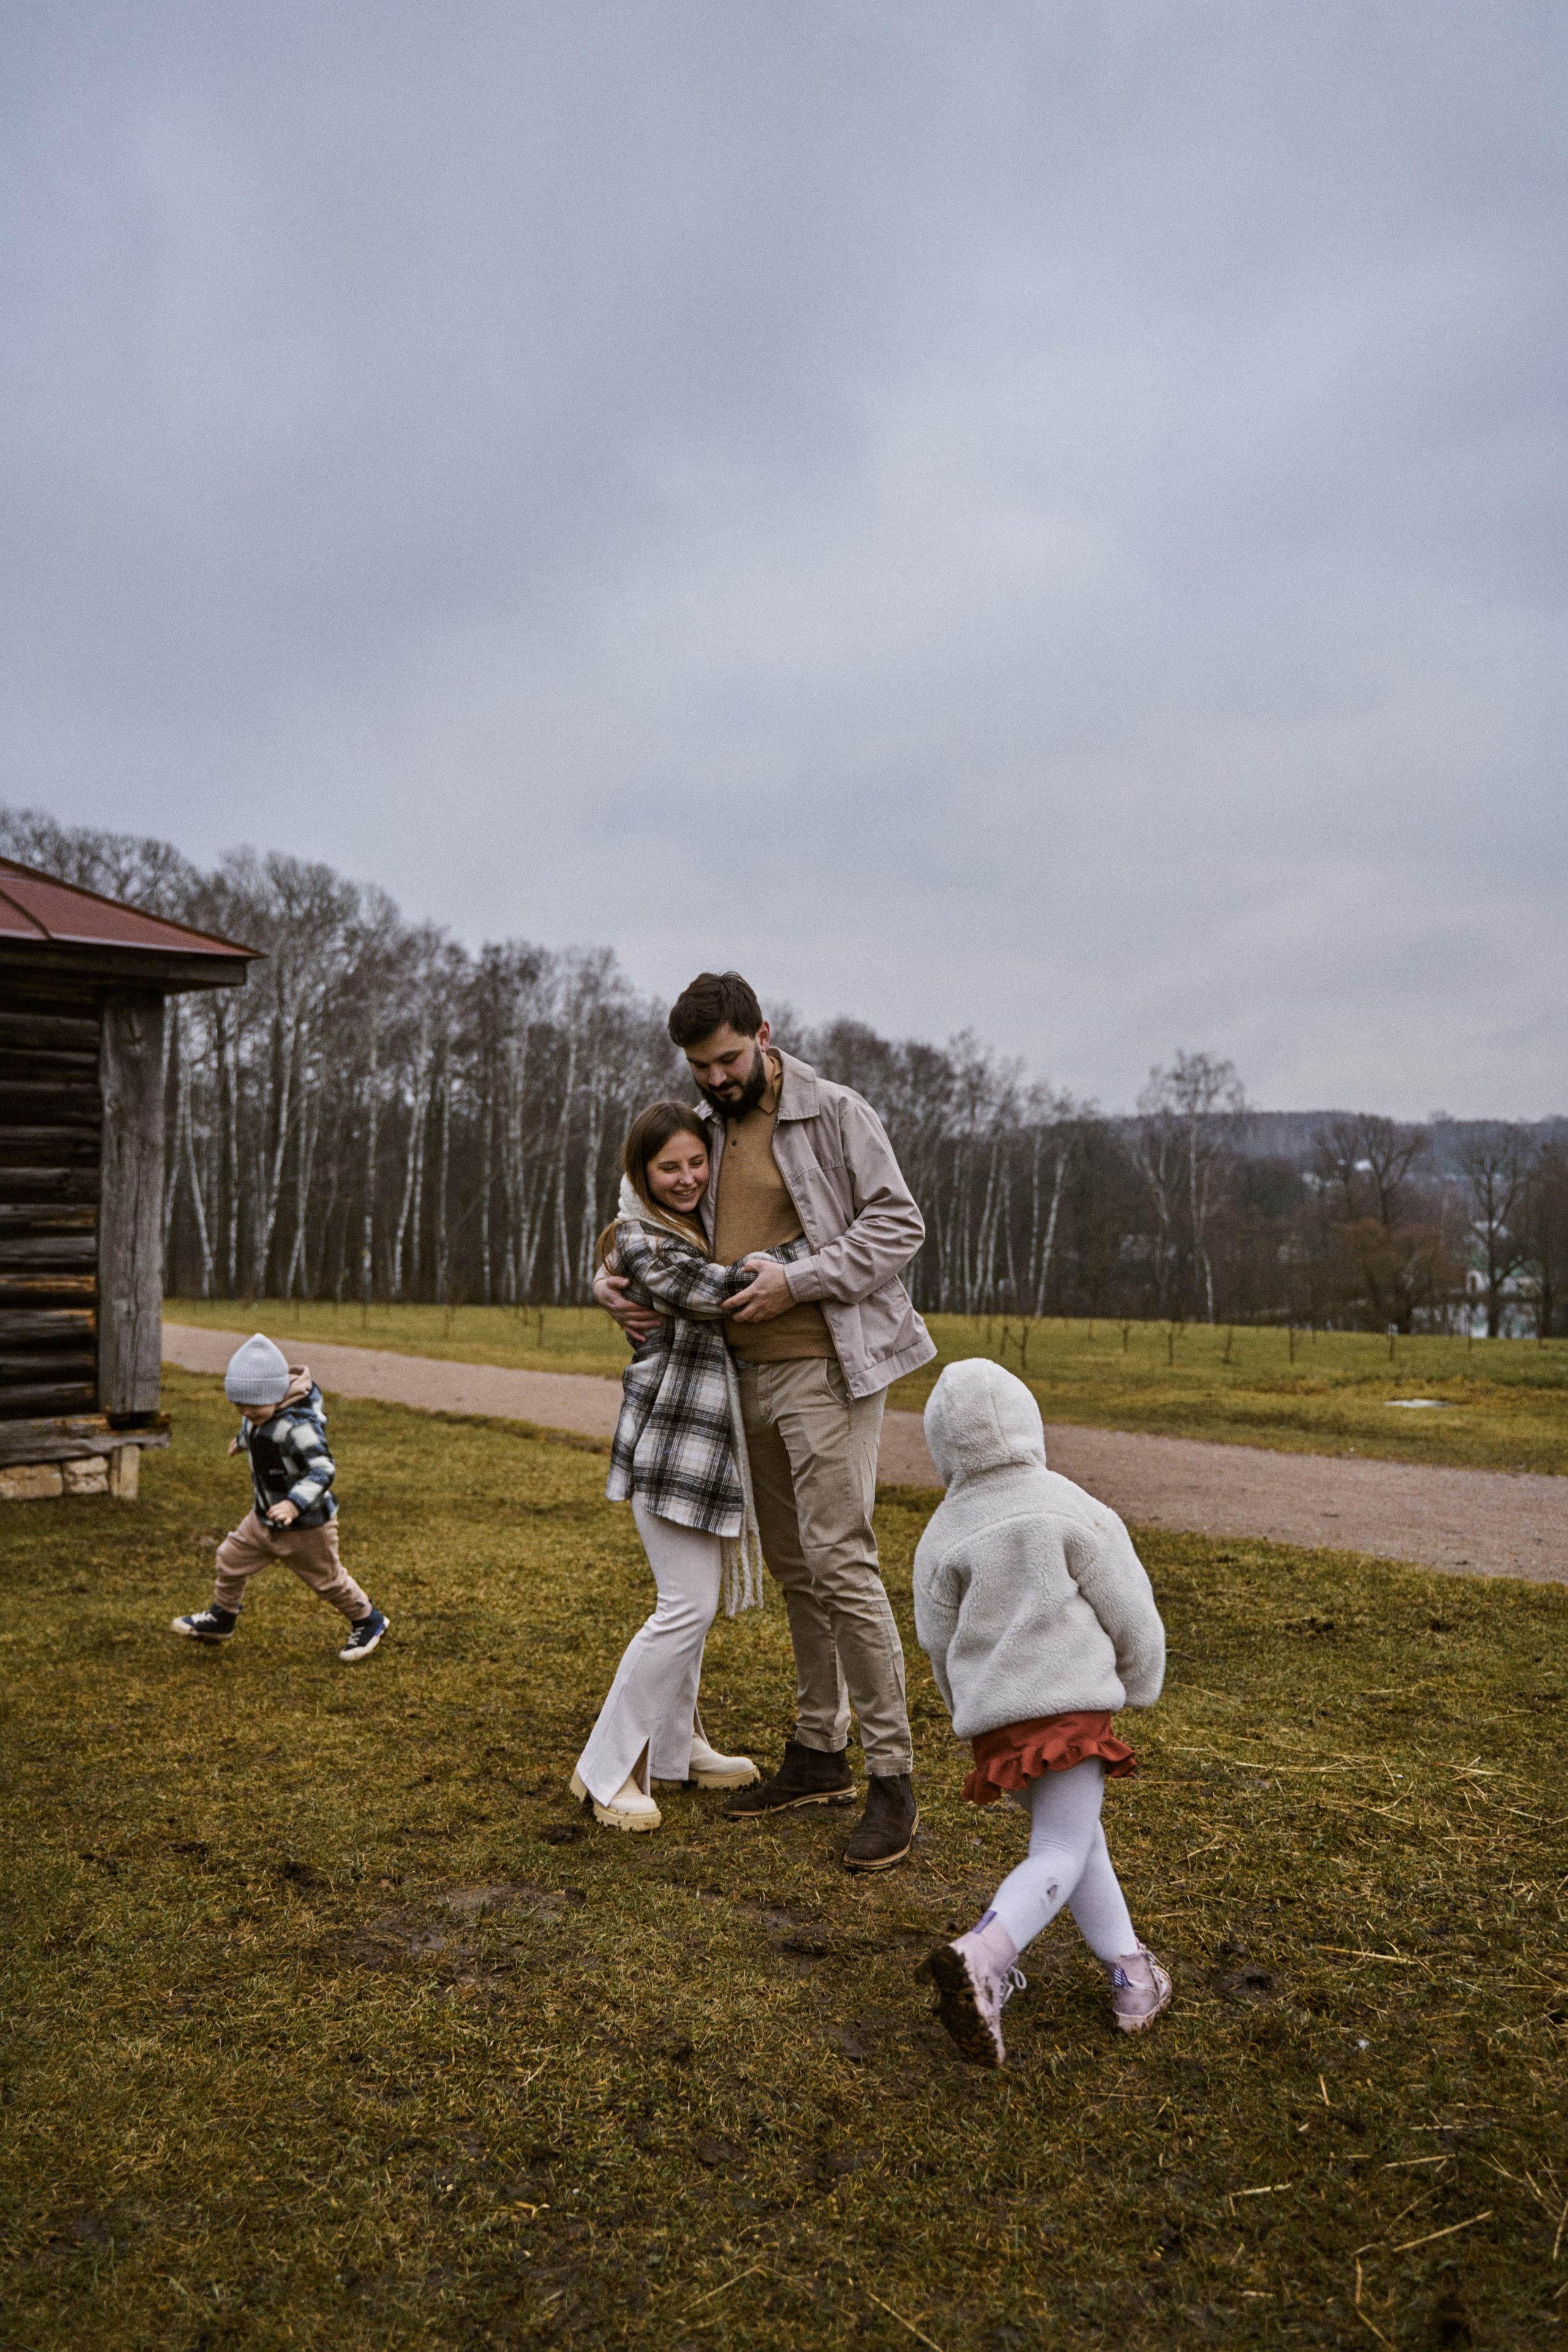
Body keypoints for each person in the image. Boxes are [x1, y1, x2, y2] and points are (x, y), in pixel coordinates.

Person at [594, 970, 936, 1872]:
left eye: (728, 1059)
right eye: (701, 1067)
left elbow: (900, 1225)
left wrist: (802, 1279)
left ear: (764, 1035)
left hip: (827, 1370)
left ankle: (892, 1779)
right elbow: (639, 1209)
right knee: (795, 1569)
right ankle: (819, 1750)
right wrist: (601, 1278)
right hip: (738, 1383)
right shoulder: (704, 1125)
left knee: (842, 1563)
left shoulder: (835, 1112)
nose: (715, 1079)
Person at [912, 1357, 1169, 2065]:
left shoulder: (940, 1534)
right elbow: (1130, 1606)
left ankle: (1129, 1970)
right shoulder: (1070, 1504)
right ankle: (984, 1956)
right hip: (1069, 1710)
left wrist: (966, 1709)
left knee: (1076, 1838)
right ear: (1029, 1423)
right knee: (1058, 1848)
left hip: (1000, 1723)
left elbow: (936, 1640)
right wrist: (1141, 1680)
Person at [570, 1100, 797, 1831]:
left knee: (692, 1609)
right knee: (685, 1607)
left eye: (697, 1162)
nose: (688, 1176)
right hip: (670, 1447)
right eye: (669, 1166)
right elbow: (717, 1292)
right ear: (641, 1173)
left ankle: (678, 1745)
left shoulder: (695, 1228)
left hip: (704, 1449)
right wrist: (806, 1256)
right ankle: (607, 1771)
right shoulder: (640, 1239)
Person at [170, 1332, 390, 1663]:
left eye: (252, 1405)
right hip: (263, 1519)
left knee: (329, 1583)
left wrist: (293, 1503)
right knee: (229, 1559)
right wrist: (241, 1441)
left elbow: (323, 1469)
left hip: (306, 1526)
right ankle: (222, 1618)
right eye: (238, 1405)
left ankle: (368, 1620)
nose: (245, 1412)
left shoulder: (298, 1428)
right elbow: (255, 1427)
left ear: (276, 1394)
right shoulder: (259, 1414)